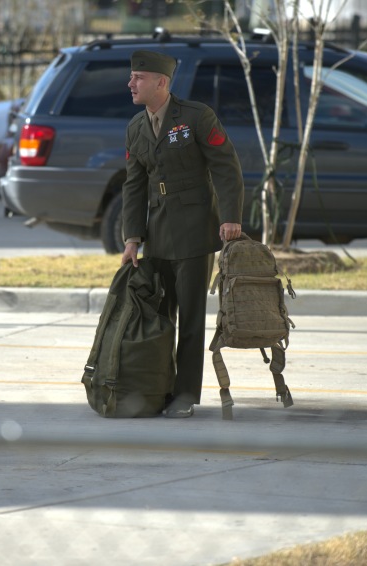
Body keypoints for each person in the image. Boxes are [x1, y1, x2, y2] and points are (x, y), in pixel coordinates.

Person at [120, 50, 245, 418]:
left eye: (139, 77)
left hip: (193, 230)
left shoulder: (195, 117)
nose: (131, 83)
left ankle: (185, 395)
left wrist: (230, 217)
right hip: (157, 233)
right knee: (159, 318)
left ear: (161, 82)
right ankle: (157, 387)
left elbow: (226, 167)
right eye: (132, 77)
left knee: (189, 319)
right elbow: (133, 186)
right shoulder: (135, 127)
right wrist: (132, 238)